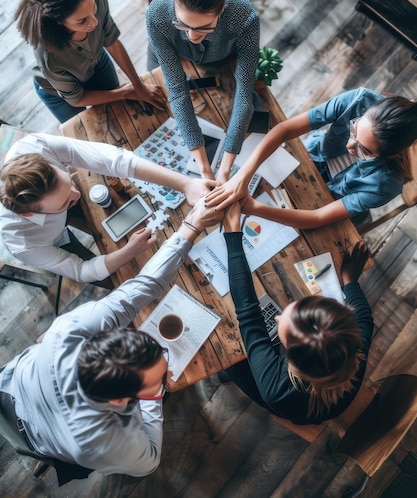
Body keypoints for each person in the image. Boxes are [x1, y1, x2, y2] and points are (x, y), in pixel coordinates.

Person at [0, 199, 222, 479]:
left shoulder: (67, 330)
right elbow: (150, 460)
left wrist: (191, 226)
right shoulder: (103, 443)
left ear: (100, 339)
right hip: (36, 436)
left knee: (47, 337)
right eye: (156, 379)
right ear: (122, 403)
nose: (164, 359)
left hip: (10, 383)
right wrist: (154, 396)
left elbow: (142, 287)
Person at [221, 202, 374, 424]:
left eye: (282, 324)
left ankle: (227, 374)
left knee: (232, 363)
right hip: (326, 398)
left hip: (288, 405)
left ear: (291, 357)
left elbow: (248, 313)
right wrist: (349, 281)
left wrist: (233, 236)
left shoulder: (277, 388)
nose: (277, 316)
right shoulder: (353, 343)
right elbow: (364, 315)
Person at [0, 133, 215, 284]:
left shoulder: (32, 147)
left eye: (70, 182)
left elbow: (111, 158)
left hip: (52, 204)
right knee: (109, 278)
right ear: (28, 214)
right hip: (49, 241)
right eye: (65, 202)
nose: (77, 195)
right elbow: (82, 271)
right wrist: (129, 251)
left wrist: (185, 183)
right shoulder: (23, 243)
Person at [206, 87, 417, 228]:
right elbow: (286, 129)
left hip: (331, 197)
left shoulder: (386, 185)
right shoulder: (358, 100)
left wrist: (253, 207)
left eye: (365, 151)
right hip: (311, 155)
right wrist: (243, 176)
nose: (349, 145)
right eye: (353, 129)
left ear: (392, 154)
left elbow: (318, 217)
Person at [146, 0, 260, 183]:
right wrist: (205, 169)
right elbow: (176, 89)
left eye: (204, 27)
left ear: (222, 9)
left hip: (220, 63)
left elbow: (244, 91)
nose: (191, 35)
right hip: (170, 58)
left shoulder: (243, 15)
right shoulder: (156, 13)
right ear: (174, 3)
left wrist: (226, 167)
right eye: (183, 24)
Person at [15, 0, 166, 123]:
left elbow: (112, 42)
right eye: (81, 21)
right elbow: (76, 99)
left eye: (93, 10)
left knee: (116, 111)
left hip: (96, 61)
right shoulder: (50, 57)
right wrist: (126, 92)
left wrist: (137, 85)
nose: (94, 23)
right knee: (87, 128)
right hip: (59, 92)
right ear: (58, 21)